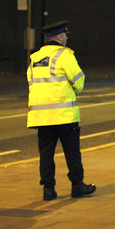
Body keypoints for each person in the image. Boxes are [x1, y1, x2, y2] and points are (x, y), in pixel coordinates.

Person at [27, 20, 96, 201]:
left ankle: (48, 189)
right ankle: (77, 185)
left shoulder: (34, 58)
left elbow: (31, 83)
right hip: (64, 115)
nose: (66, 38)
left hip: (42, 117)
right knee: (72, 152)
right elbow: (79, 83)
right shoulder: (64, 55)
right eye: (65, 35)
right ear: (59, 37)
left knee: (46, 154)